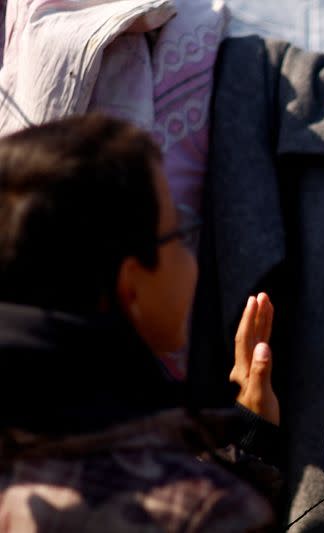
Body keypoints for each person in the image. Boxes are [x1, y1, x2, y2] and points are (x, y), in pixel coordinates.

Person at [0, 114, 281, 531]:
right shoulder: (204, 513)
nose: (191, 258)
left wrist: (245, 443)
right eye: (178, 234)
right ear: (130, 288)